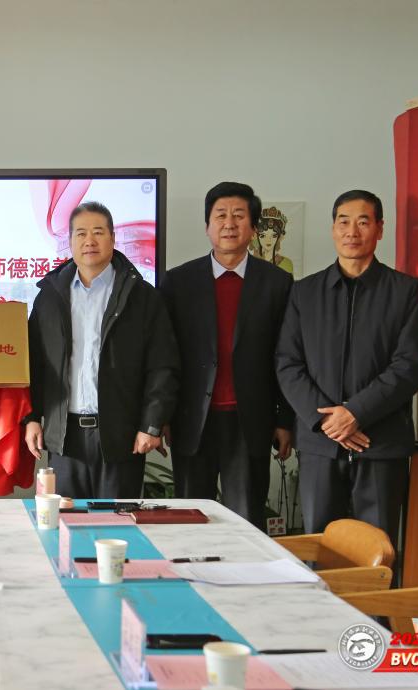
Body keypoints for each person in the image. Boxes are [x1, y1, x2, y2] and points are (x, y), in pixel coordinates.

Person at [275, 190, 418, 541]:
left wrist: (356, 413)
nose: (352, 231)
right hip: (320, 443)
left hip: (380, 441)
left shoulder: (405, 291)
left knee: (379, 548)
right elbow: (287, 363)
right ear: (333, 229)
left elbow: (408, 365)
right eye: (343, 222)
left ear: (379, 229)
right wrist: (328, 421)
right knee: (320, 545)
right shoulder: (304, 292)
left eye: (363, 222)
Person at [24, 201, 180, 498]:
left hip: (122, 436)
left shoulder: (141, 296)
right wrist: (31, 417)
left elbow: (162, 366)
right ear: (70, 241)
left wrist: (151, 424)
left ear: (113, 238)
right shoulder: (50, 297)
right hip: (65, 437)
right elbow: (34, 362)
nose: (89, 241)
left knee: (117, 519)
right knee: (66, 520)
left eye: (98, 232)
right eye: (81, 233)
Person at [160, 182, 293, 529]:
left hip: (250, 421)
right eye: (220, 215)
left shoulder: (277, 283)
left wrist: (285, 420)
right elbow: (165, 356)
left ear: (253, 226)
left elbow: (287, 356)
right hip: (192, 420)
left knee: (247, 520)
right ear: (207, 225)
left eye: (239, 216)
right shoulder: (178, 282)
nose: (229, 224)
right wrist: (161, 416)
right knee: (190, 519)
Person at [251, 206, 295, 275]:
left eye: (273, 236)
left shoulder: (286, 263)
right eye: (263, 235)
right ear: (256, 236)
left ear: (280, 237)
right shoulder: (248, 263)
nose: (268, 240)